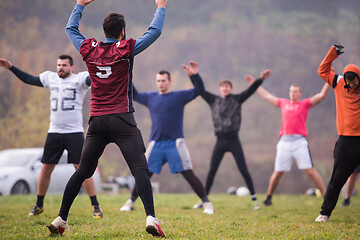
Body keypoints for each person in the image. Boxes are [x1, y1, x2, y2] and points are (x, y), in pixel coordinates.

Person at [47, 0, 167, 237]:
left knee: (82, 171)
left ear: (104, 30)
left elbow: (71, 29)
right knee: (140, 169)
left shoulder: (89, 49)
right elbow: (155, 32)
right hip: (122, 118)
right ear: (122, 31)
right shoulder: (126, 48)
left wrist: (80, 4)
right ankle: (151, 218)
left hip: (97, 121)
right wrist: (161, 7)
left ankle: (61, 218)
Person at [0, 56, 102, 219]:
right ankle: (39, 204)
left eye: (64, 65)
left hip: (74, 132)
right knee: (46, 168)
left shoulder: (79, 79)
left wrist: (101, 66)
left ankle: (95, 205)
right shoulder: (50, 78)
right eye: (58, 65)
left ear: (72, 67)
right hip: (54, 131)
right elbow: (30, 79)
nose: (60, 68)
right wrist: (10, 67)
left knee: (81, 168)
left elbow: (93, 79)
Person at [120, 61, 215, 215]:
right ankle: (130, 201)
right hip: (156, 143)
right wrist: (125, 74)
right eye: (158, 81)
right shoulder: (151, 97)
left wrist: (194, 75)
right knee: (143, 174)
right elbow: (135, 95)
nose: (160, 83)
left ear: (169, 82)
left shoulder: (179, 96)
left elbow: (199, 90)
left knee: (188, 173)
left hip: (175, 144)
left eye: (163, 80)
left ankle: (207, 204)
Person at [192, 69, 272, 211]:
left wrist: (261, 79)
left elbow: (250, 91)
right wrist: (192, 75)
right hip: (220, 140)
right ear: (220, 88)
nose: (225, 88)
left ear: (231, 89)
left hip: (233, 139)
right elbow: (200, 90)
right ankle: (204, 201)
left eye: (227, 86)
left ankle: (254, 200)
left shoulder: (237, 99)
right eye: (222, 86)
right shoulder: (213, 100)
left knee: (243, 170)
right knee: (212, 171)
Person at [245, 74, 330, 206]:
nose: (293, 94)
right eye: (291, 91)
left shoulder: (304, 104)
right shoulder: (283, 103)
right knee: (278, 172)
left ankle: (326, 196)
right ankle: (268, 198)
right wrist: (255, 84)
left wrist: (329, 79)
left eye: (295, 92)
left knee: (310, 171)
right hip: (284, 142)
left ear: (300, 93)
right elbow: (268, 96)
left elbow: (321, 96)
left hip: (299, 142)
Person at [316, 44, 360, 222]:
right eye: (349, 82)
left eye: (355, 81)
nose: (352, 84)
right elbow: (322, 70)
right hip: (346, 142)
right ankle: (325, 213)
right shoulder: (338, 82)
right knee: (337, 179)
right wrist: (332, 53)